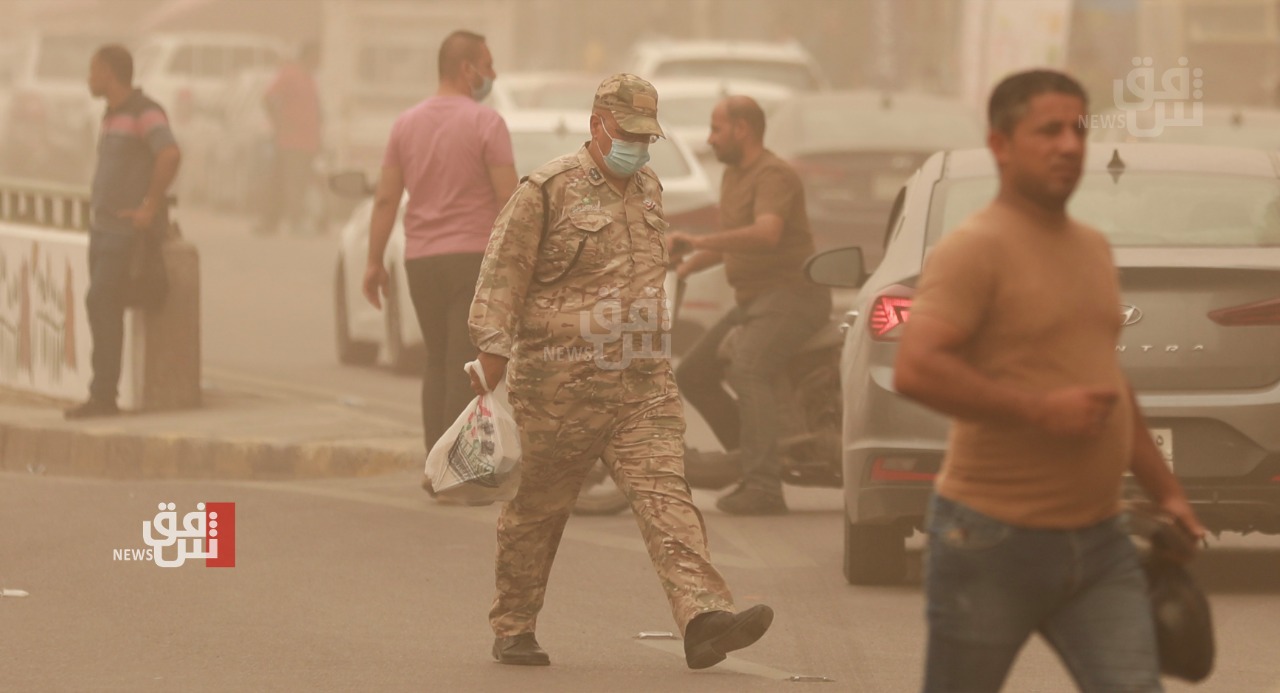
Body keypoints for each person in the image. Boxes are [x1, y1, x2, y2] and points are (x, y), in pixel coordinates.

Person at [891, 69, 1205, 692]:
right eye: (1049, 130)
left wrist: (1167, 491)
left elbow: (1108, 378)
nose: (1068, 144)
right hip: (989, 540)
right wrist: (1039, 411)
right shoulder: (973, 249)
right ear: (1002, 145)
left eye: (1078, 129)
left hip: (1100, 542)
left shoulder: (1091, 248)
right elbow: (915, 367)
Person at [468, 73, 773, 669]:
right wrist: (491, 358)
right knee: (539, 508)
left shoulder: (650, 187)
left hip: (642, 383)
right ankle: (515, 623)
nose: (637, 146)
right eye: (627, 133)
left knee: (667, 494)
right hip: (560, 385)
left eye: (646, 136)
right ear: (597, 125)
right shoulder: (546, 191)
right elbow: (502, 273)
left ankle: (704, 619)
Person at [665, 96, 831, 515]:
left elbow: (765, 234)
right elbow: (732, 242)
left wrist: (698, 241)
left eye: (716, 129)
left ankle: (764, 486)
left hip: (792, 297)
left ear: (742, 129)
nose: (709, 139)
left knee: (749, 369)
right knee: (693, 373)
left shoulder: (774, 175)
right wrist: (681, 270)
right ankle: (752, 456)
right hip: (754, 299)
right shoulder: (734, 175)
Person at [363, 30, 516, 453]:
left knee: (435, 360)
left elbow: (385, 199)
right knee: (462, 364)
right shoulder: (487, 123)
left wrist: (374, 263)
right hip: (471, 260)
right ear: (467, 70)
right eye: (487, 66)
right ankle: (456, 469)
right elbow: (509, 197)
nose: (493, 74)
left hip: (421, 261)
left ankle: (436, 465)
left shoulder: (406, 124)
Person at [65, 45, 181, 420]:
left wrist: (149, 205)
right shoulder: (111, 115)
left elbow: (169, 154)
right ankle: (102, 393)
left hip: (122, 232)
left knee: (102, 300)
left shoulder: (144, 111)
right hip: (102, 227)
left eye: (93, 71)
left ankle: (103, 395)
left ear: (110, 73)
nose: (88, 78)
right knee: (101, 305)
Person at [257, 41, 322, 236]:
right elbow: (268, 97)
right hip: (291, 140)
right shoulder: (291, 74)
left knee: (294, 182)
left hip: (308, 140)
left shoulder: (308, 77)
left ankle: (274, 221)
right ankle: (295, 222)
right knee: (294, 182)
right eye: (316, 57)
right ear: (308, 56)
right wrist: (278, 122)